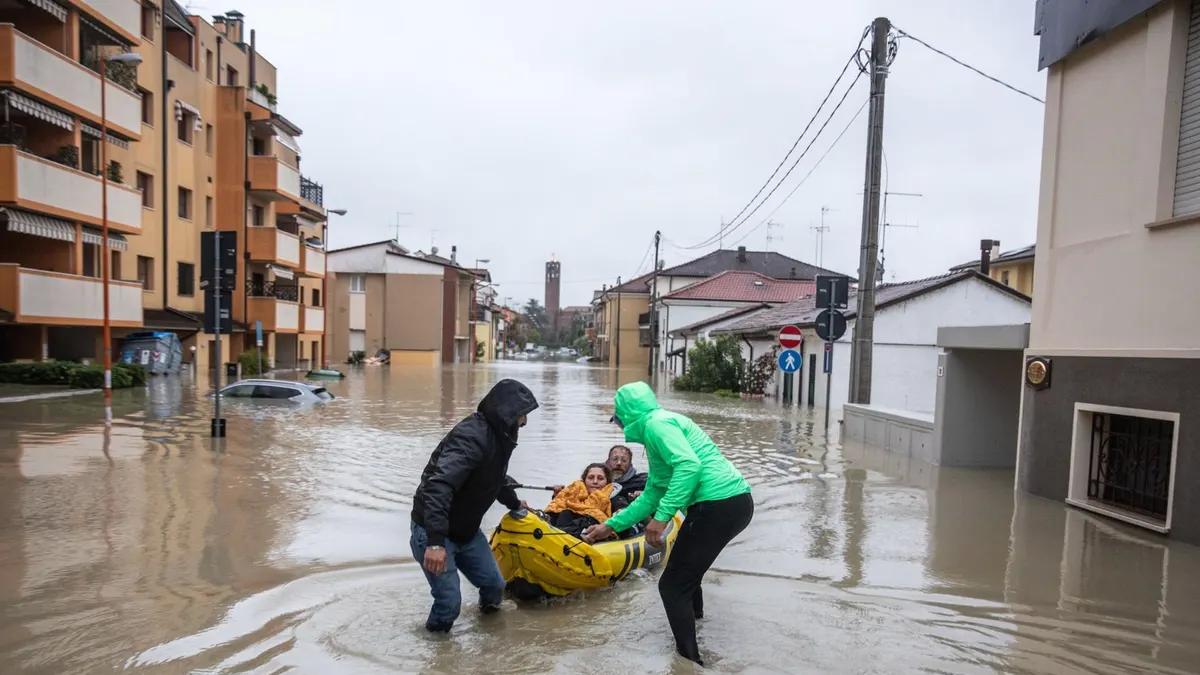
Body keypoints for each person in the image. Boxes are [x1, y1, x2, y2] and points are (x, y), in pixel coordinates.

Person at [582, 381, 753, 666]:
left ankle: (690, 663)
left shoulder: (657, 426)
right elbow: (652, 494)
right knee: (687, 575)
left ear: (627, 414)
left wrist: (661, 519)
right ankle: (696, 626)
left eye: (618, 418)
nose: (619, 424)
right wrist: (609, 526)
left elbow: (690, 467)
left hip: (718, 504)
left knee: (672, 586)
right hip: (732, 503)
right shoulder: (659, 428)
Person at [409, 378, 539, 633]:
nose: (525, 422)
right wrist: (435, 542)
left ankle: (490, 634)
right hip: (434, 532)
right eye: (523, 415)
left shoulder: (502, 436)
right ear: (508, 413)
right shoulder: (471, 437)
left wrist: (514, 503)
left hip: (466, 532)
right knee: (449, 604)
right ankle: (437, 652)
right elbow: (439, 486)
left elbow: (495, 478)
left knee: (495, 587)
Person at [543, 463, 615, 537]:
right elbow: (558, 505)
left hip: (590, 530)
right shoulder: (573, 491)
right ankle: (543, 520)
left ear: (607, 481)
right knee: (566, 513)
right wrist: (556, 495)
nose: (595, 481)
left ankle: (555, 533)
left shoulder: (614, 496)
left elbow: (621, 509)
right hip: (564, 526)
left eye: (600, 478)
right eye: (591, 478)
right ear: (584, 480)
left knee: (589, 519)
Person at [605, 444, 647, 511]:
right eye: (615, 459)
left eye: (624, 460)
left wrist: (645, 493)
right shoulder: (596, 480)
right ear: (607, 462)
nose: (619, 463)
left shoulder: (643, 481)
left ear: (630, 465)